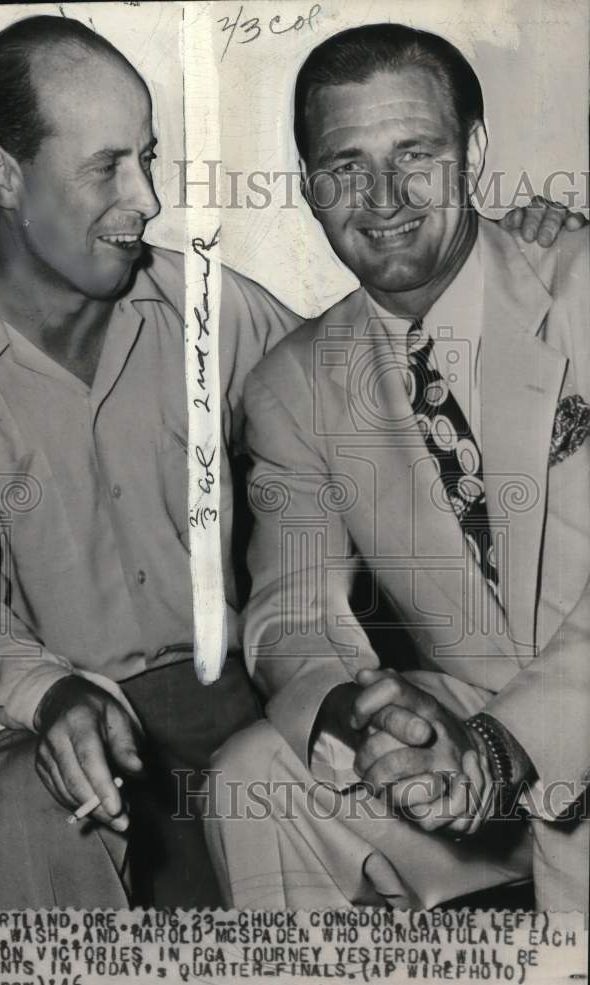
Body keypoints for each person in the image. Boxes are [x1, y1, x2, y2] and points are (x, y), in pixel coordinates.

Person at [0, 14, 575, 911]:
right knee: (130, 785)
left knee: (256, 759)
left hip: (256, 695)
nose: (147, 198)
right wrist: (349, 707)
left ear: (471, 150)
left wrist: (533, 252)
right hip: (38, 709)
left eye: (147, 158)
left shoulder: (213, 311)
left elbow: (399, 327)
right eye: (107, 166)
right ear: (4, 176)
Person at [205, 23, 590, 913]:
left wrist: (505, 745)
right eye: (345, 165)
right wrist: (364, 712)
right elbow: (290, 610)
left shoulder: (580, 282)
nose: (382, 197)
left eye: (415, 154)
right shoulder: (294, 383)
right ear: (310, 185)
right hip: (460, 740)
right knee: (254, 777)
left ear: (473, 153)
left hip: (551, 719)